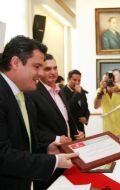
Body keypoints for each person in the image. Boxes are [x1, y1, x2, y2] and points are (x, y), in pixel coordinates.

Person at [0, 35, 78, 189]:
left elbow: (22, 142)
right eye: (36, 66)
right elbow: (3, 155)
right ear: (15, 63)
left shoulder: (21, 95)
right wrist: (54, 161)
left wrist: (47, 149)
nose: (40, 73)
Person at [28, 54, 84, 190]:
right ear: (39, 71)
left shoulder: (60, 91)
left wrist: (77, 133)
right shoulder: (32, 93)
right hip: (48, 160)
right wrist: (56, 138)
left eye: (55, 68)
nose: (53, 72)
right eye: (47, 69)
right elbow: (31, 130)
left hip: (67, 155)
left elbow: (66, 119)